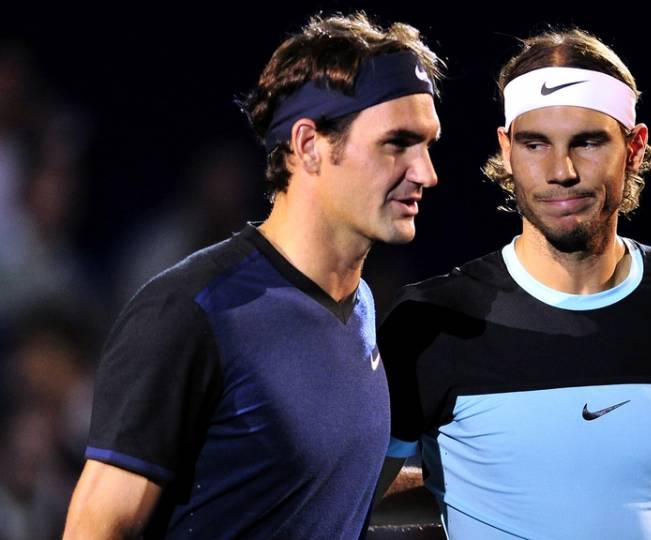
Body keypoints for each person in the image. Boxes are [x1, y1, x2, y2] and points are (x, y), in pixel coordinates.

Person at [376, 29, 651, 539]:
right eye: (536, 144)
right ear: (507, 150)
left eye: (589, 141)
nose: (562, 171)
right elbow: (347, 496)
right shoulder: (428, 322)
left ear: (635, 148)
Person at [63, 12, 442, 539]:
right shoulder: (192, 311)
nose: (425, 172)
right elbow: (97, 529)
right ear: (309, 146)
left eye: (427, 145)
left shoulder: (361, 306)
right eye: (397, 143)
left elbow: (318, 483)